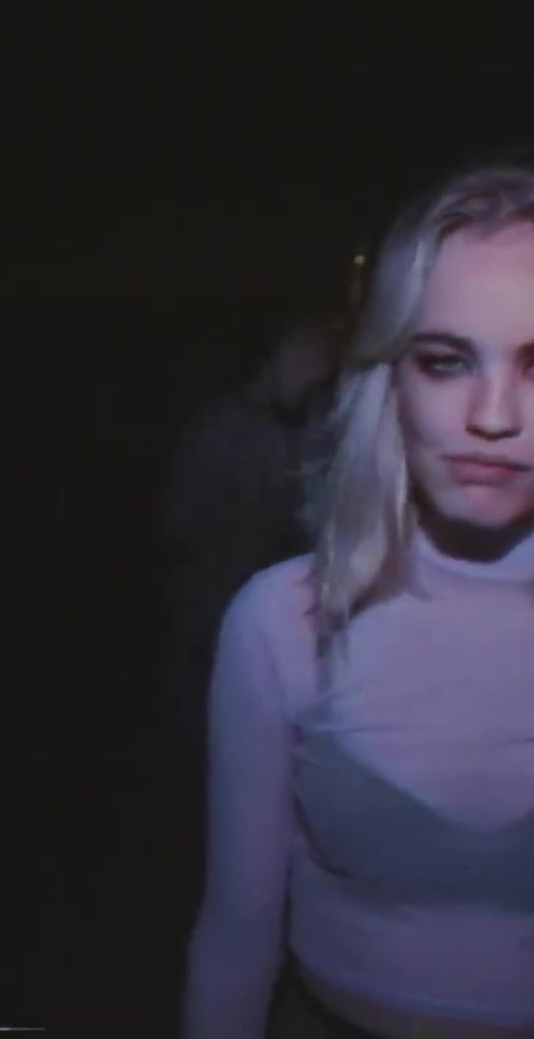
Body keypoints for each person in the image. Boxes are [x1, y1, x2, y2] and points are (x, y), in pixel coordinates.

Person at [181, 151, 534, 1038]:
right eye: (447, 360)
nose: (493, 416)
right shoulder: (280, 624)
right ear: (391, 378)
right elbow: (234, 943)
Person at [159, 312, 343, 823]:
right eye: (308, 351)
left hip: (281, 632)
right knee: (205, 763)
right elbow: (179, 523)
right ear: (277, 354)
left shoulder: (315, 429)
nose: (320, 365)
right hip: (209, 621)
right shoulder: (220, 429)